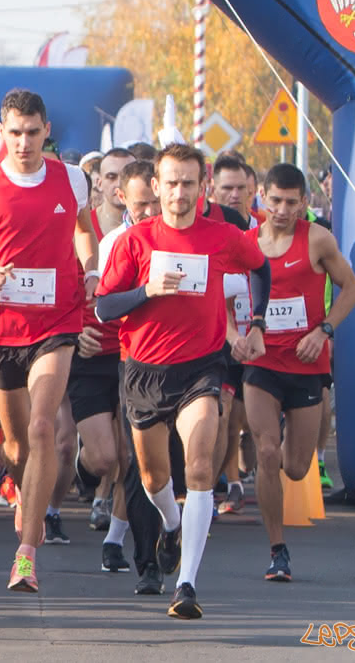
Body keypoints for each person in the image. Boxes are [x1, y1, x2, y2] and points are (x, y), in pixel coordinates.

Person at [95, 143, 272, 620]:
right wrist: (146, 291)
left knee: (198, 468)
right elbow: (103, 307)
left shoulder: (222, 234)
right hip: (143, 371)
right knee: (154, 477)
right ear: (155, 186)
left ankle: (187, 584)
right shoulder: (135, 242)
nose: (178, 192)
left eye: (188, 183)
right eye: (170, 183)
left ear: (202, 187)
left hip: (202, 368)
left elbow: (260, 267)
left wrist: (255, 325)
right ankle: (170, 525)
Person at [0, 89, 98, 594]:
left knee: (44, 427)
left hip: (57, 321)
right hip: (0, 328)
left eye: (33, 132)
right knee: (14, 443)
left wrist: (91, 267)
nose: (24, 142)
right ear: (1, 132)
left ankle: (26, 556)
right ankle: (10, 477)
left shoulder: (73, 179)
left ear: (46, 130)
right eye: (15, 133)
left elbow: (84, 233)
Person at [243, 162, 355, 582]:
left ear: (304, 203)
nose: (282, 210)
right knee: (267, 451)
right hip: (261, 363)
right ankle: (278, 549)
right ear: (262, 197)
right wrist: (234, 336)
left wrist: (324, 329)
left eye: (292, 202)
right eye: (275, 200)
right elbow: (222, 296)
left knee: (295, 466)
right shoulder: (245, 243)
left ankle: (303, 435)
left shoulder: (317, 240)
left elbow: (352, 288)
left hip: (307, 364)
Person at [84, 159, 159, 578]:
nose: (149, 211)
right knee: (112, 456)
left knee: (138, 457)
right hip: (110, 355)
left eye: (155, 202)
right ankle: (126, 540)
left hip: (155, 359)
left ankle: (118, 537)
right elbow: (101, 302)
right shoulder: (113, 241)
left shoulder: (176, 237)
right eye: (141, 203)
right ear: (122, 198)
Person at [93, 148, 134, 236]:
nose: (119, 184)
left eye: (126, 176)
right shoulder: (84, 224)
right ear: (99, 183)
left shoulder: (152, 222)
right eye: (111, 177)